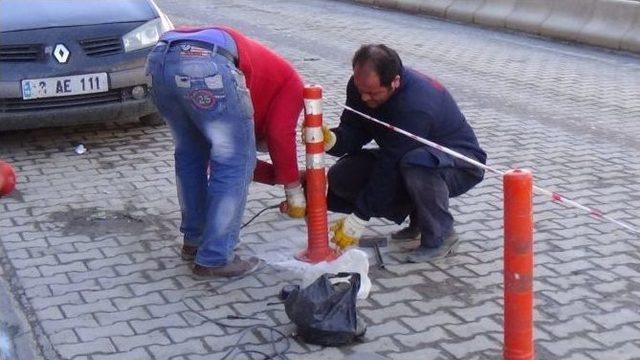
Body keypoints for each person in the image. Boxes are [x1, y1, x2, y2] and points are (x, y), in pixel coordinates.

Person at [146, 26, 306, 277]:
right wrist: (293, 186)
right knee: (234, 160)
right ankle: (215, 257)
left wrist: (279, 175)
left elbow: (219, 158)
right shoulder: (293, 85)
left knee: (190, 154)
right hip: (206, 63)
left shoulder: (264, 86)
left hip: (160, 60)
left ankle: (194, 242)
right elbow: (278, 136)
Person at [322, 44, 486, 262]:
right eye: (361, 91)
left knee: (416, 163)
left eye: (372, 94)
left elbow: (390, 166)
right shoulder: (360, 87)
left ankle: (441, 235)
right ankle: (419, 222)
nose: (364, 99)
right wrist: (334, 140)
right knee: (343, 176)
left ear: (395, 82)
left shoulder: (416, 106)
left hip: (461, 164)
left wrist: (359, 217)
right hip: (407, 154)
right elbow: (355, 128)